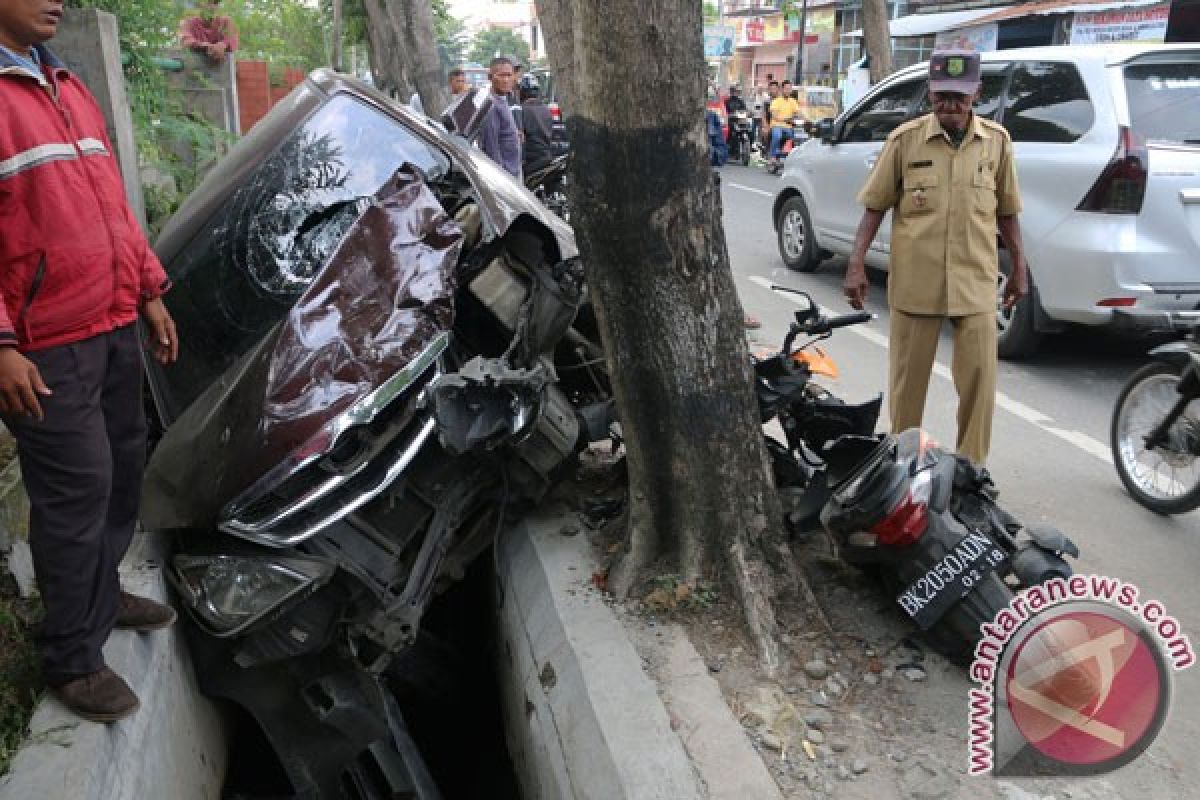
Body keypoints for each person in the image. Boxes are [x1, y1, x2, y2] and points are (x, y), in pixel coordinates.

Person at [0, 0, 180, 722]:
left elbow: (111, 208)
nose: (60, 1)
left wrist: (150, 291)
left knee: (122, 469)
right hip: (42, 343)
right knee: (76, 491)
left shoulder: (64, 84)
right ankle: (73, 656)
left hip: (109, 320)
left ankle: (99, 596)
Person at [843, 50, 1026, 465]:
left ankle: (971, 471)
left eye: (959, 97)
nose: (950, 105)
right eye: (942, 95)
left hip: (976, 280)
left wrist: (1019, 268)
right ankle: (903, 468)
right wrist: (856, 264)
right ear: (929, 92)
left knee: (980, 383)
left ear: (977, 93)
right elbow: (874, 206)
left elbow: (1008, 211)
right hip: (916, 281)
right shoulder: (905, 141)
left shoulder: (996, 143)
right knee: (908, 387)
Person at [479, 56, 522, 178]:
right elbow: (492, 147)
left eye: (509, 75)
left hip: (512, 172)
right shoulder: (491, 105)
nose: (506, 80)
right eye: (501, 75)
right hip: (504, 176)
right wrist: (501, 178)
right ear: (490, 77)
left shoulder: (503, 99)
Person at [179, 0, 238, 66]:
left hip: (223, 69)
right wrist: (205, 46)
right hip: (195, 69)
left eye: (215, 3)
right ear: (199, 5)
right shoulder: (188, 23)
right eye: (208, 2)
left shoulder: (225, 22)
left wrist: (222, 44)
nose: (212, 6)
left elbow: (232, 39)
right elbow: (186, 40)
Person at [519, 75, 555, 174]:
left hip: (531, 159)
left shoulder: (521, 110)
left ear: (522, 92)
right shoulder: (546, 109)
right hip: (547, 156)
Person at [767, 79, 801, 168]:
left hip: (789, 127)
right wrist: (784, 119)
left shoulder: (793, 101)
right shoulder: (776, 101)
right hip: (776, 125)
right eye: (786, 89)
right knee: (777, 136)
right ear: (782, 89)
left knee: (798, 138)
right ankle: (772, 156)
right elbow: (774, 115)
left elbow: (798, 113)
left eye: (790, 89)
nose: (788, 91)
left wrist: (806, 120)